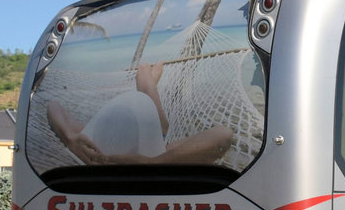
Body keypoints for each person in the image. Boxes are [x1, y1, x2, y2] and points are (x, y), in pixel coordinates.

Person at [47, 62, 234, 166]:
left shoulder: (89, 147)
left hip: (145, 149)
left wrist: (70, 137)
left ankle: (145, 81)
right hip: (154, 155)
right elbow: (223, 136)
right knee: (161, 127)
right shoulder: (161, 155)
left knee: (158, 124)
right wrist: (150, 164)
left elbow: (53, 106)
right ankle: (146, 81)